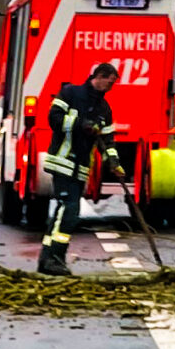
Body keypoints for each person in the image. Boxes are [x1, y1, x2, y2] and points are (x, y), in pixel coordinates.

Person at [38, 61, 119, 276]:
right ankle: (55, 258)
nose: (110, 88)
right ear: (99, 76)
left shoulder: (104, 109)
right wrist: (79, 125)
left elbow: (108, 140)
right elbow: (53, 118)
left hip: (80, 168)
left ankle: (46, 259)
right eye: (109, 82)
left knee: (61, 212)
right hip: (62, 161)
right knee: (70, 211)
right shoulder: (70, 93)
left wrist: (114, 162)